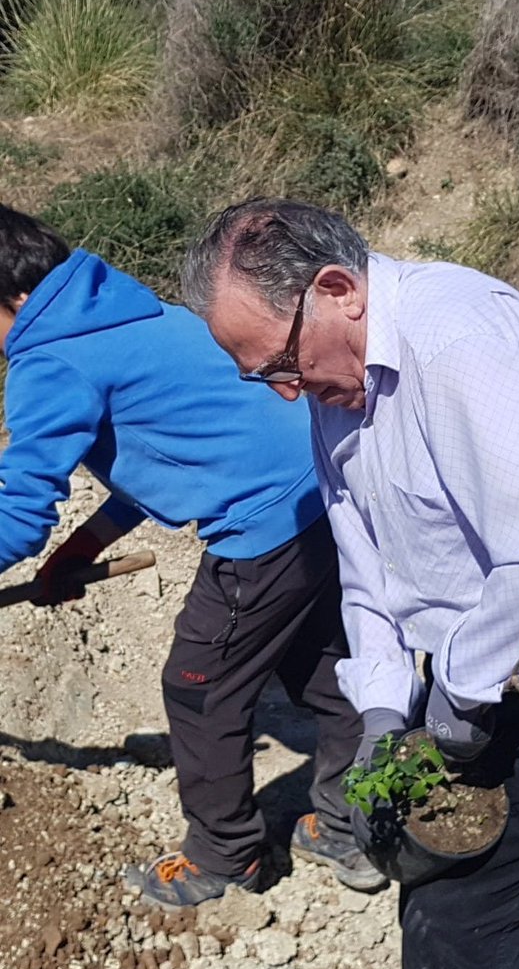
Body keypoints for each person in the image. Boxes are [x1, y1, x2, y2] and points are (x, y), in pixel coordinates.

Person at [181, 197, 519, 969]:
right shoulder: (335, 392)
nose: (288, 392)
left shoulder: (456, 338)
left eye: (283, 364)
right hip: (503, 653)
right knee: (438, 876)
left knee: (468, 922)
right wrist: (386, 703)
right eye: (264, 378)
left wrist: (457, 691)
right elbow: (366, 570)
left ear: (337, 289)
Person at [0, 205, 386, 908]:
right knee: (327, 672)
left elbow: (18, 516)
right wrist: (84, 547)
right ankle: (352, 824)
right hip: (321, 491)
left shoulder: (48, 360)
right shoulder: (121, 314)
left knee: (199, 689)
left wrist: (43, 544)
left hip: (262, 528)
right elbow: (180, 459)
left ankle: (226, 856)